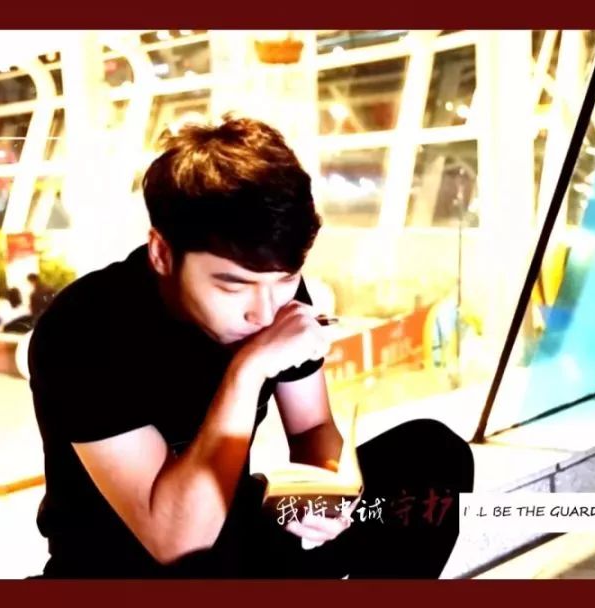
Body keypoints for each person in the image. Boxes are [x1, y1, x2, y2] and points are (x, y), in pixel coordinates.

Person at [27, 116, 474, 579]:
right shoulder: (84, 330)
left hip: (236, 532)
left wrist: (318, 487)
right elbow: (176, 542)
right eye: (232, 286)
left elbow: (313, 426)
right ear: (162, 253)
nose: (263, 312)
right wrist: (247, 370)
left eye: (285, 279)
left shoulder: (272, 291)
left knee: (431, 457)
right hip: (128, 566)